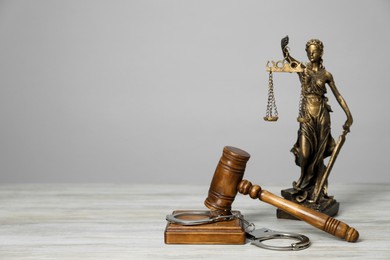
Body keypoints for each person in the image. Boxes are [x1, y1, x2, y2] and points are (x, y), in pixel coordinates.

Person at [281, 36, 353, 202]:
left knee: (318, 154)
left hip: (321, 115)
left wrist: (349, 115)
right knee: (305, 154)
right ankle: (303, 184)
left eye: (315, 51)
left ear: (321, 53)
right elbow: (289, 60)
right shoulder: (303, 70)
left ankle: (317, 189)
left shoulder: (326, 74)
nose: (312, 54)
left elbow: (338, 96)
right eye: (309, 51)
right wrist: (284, 50)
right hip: (306, 116)